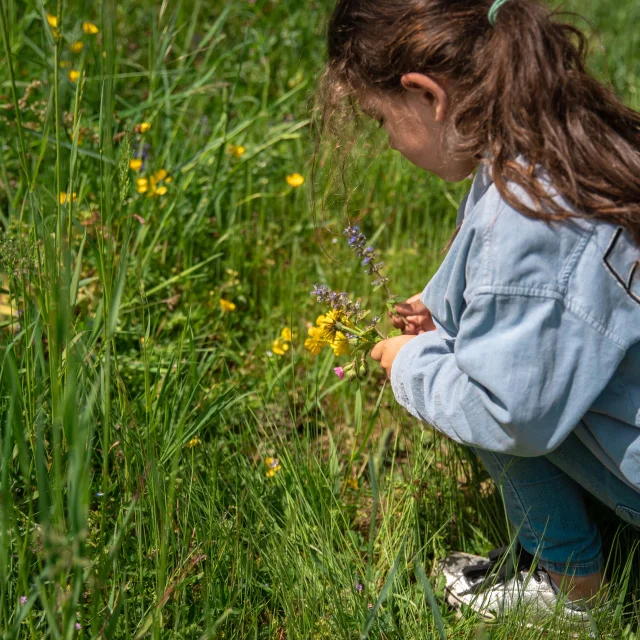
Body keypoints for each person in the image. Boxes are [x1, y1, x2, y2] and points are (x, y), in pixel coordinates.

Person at [322, 0, 640, 626]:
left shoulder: (524, 211)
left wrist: (411, 369)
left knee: (474, 386)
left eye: (381, 119)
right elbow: (528, 279)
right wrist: (440, 305)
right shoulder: (561, 136)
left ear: (425, 94)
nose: (387, 139)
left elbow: (509, 414)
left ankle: (574, 593)